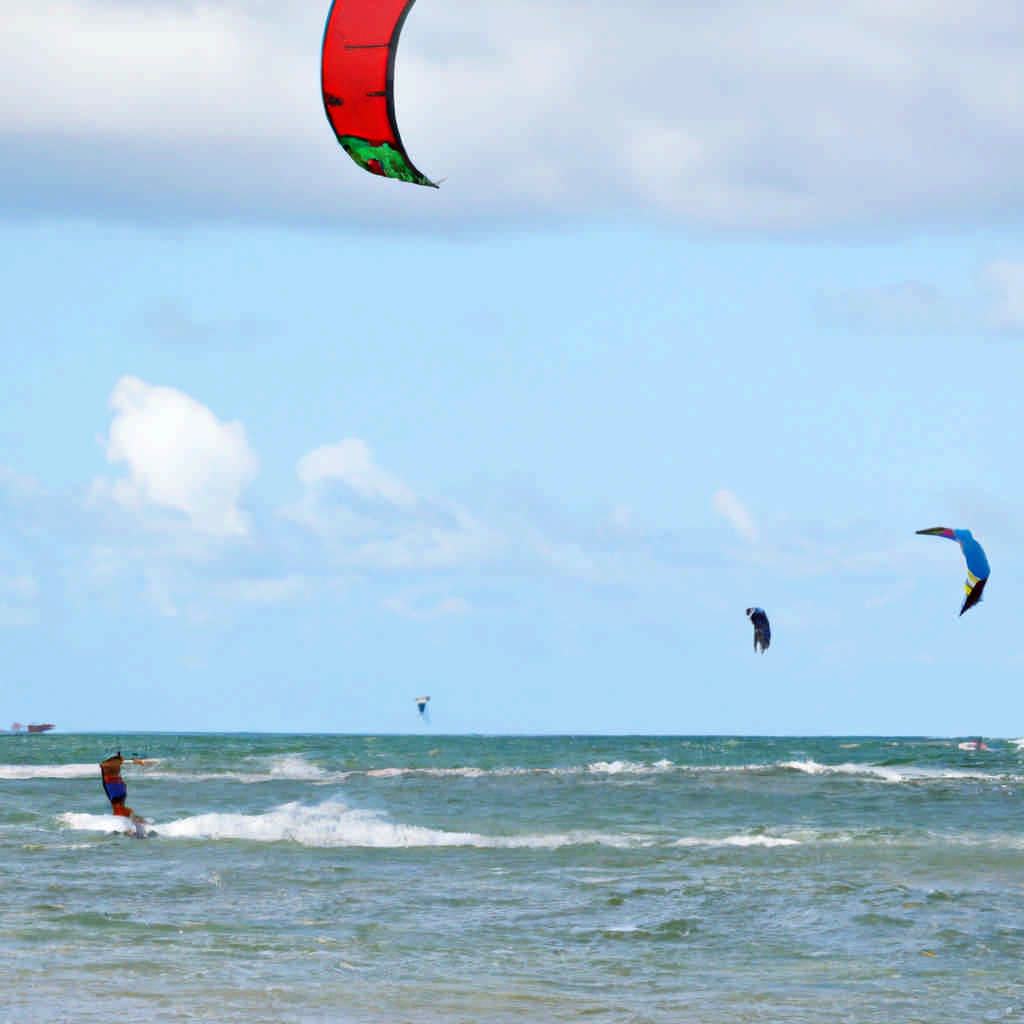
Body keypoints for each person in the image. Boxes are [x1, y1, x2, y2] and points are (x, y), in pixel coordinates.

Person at [99, 751, 145, 831]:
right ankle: (139, 823)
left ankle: (134, 825)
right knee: (119, 809)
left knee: (118, 810)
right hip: (119, 786)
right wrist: (135, 761)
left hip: (114, 787)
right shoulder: (114, 764)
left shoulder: (106, 765)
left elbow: (105, 766)